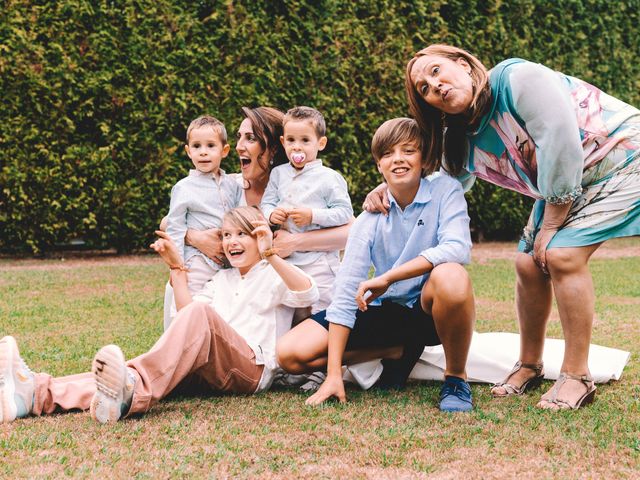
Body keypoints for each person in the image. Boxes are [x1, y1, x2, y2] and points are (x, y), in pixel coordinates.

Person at [383, 43, 640, 410]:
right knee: (527, 264)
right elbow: (444, 184)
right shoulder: (460, 138)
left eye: (436, 71)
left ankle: (576, 376)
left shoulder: (519, 78)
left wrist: (552, 222)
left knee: (561, 256)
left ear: (463, 64)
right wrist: (391, 186)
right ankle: (530, 365)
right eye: (423, 88)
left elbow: (561, 140)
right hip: (573, 182)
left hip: (625, 157)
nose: (434, 86)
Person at [0, 207, 318, 424]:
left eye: (242, 235)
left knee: (156, 358)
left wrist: (271, 254)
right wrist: (177, 268)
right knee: (129, 373)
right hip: (210, 369)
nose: (231, 242)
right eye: (226, 235)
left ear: (259, 238)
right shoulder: (222, 279)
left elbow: (307, 293)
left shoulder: (274, 273)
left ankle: (133, 391)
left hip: (251, 370)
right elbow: (187, 319)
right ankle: (33, 394)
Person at [277, 118, 476, 412]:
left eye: (408, 151)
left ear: (424, 158)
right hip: (389, 314)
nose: (398, 159)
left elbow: (457, 247)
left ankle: (456, 379)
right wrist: (333, 374)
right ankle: (394, 352)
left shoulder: (445, 190)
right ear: (379, 166)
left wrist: (388, 277)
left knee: (451, 276)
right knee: (289, 354)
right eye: (387, 154)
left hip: (428, 312)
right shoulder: (370, 217)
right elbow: (346, 291)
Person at [261, 106, 354, 313]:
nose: (297, 147)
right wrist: (271, 214)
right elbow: (267, 202)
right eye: (291, 140)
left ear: (320, 143)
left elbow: (344, 213)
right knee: (290, 307)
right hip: (289, 261)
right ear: (283, 142)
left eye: (305, 140)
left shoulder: (329, 178)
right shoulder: (278, 174)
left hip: (319, 261)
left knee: (323, 309)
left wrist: (313, 215)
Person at [165, 115, 241, 300]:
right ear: (188, 151)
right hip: (197, 261)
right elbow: (175, 227)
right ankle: (182, 327)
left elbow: (239, 217)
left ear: (224, 150)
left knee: (221, 303)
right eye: (196, 146)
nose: (203, 152)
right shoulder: (184, 187)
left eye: (210, 146)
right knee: (190, 301)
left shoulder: (232, 185)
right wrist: (177, 266)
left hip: (227, 261)